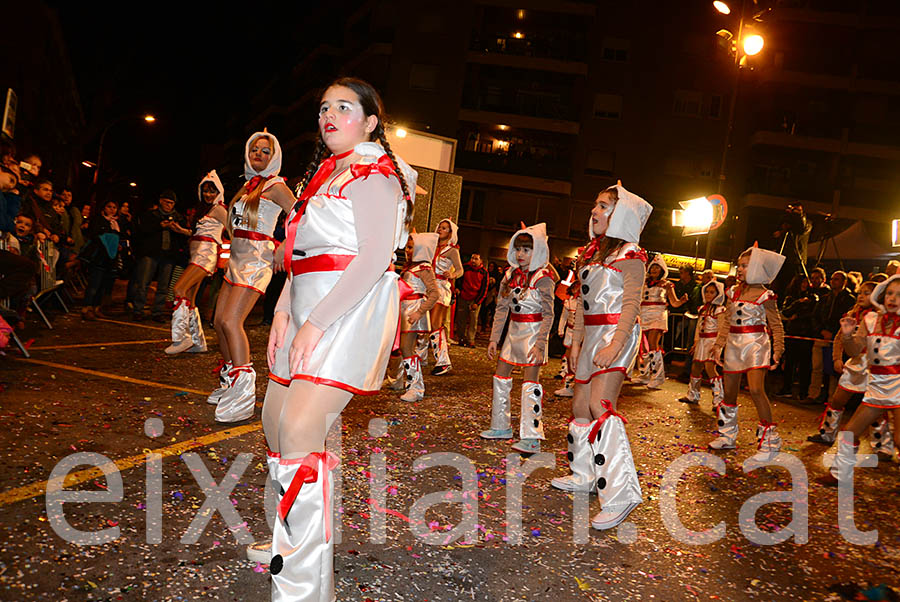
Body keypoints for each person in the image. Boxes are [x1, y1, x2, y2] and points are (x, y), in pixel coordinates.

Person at [260, 77, 417, 598]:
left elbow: (374, 259)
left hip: (346, 316)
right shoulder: (326, 173)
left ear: (371, 122)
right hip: (306, 310)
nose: (329, 115)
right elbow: (298, 256)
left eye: (344, 107)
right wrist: (284, 310)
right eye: (324, 106)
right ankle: (289, 541)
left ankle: (304, 588)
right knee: (275, 424)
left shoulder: (376, 174)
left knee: (302, 431)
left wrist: (316, 321)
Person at [549, 183, 650, 531]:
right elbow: (583, 308)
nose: (594, 211)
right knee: (579, 407)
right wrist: (576, 346)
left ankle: (621, 495)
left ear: (621, 214)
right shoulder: (593, 255)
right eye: (595, 204)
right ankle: (584, 475)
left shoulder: (632, 256)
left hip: (615, 334)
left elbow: (631, 306)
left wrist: (615, 344)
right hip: (591, 336)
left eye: (604, 206)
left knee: (599, 406)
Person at [211, 132, 294, 422]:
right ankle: (229, 381)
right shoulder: (248, 186)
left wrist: (284, 244)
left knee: (232, 322)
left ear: (275, 156)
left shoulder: (276, 186)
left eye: (265, 151)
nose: (258, 154)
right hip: (236, 257)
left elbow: (299, 215)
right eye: (254, 150)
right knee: (219, 322)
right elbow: (235, 227)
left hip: (257, 259)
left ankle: (243, 396)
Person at [480, 223, 555, 454]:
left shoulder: (544, 277)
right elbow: (501, 308)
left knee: (530, 384)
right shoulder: (510, 275)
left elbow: (549, 313)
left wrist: (541, 343)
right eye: (518, 249)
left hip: (533, 334)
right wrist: (494, 339)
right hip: (513, 333)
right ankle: (500, 425)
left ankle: (532, 437)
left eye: (527, 249)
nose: (520, 254)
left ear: (539, 251)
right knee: (500, 377)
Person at [819, 275, 900, 485]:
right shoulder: (871, 319)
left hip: (898, 388)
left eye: (899, 295)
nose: (893, 298)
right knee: (849, 432)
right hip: (876, 387)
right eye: (890, 293)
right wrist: (847, 335)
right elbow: (855, 350)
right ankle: (838, 475)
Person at [708, 245, 785, 462]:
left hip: (756, 345)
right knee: (729, 392)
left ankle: (770, 441)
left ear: (758, 268)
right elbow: (727, 322)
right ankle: (727, 435)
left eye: (745, 265)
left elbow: (776, 325)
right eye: (739, 265)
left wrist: (777, 350)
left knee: (756, 389)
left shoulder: (766, 295)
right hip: (734, 344)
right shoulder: (733, 292)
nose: (739, 269)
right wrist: (719, 345)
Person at [806, 281, 893, 457]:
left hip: (876, 369)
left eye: (867, 293)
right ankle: (827, 434)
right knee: (837, 401)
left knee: (875, 410)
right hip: (855, 364)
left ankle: (882, 446)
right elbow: (840, 338)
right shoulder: (854, 315)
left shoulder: (885, 319)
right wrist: (837, 357)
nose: (861, 296)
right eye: (860, 292)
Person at [164, 171, 228, 355]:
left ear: (219, 192)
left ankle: (181, 337)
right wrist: (182, 230)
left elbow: (233, 230)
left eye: (212, 191)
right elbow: (201, 234)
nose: (208, 194)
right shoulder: (206, 210)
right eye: (205, 190)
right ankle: (198, 342)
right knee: (190, 299)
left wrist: (231, 255)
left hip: (205, 257)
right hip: (197, 255)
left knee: (179, 289)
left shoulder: (219, 209)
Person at [130, 190, 191, 321]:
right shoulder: (151, 215)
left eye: (171, 203)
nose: (169, 205)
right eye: (167, 202)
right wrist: (159, 226)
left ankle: (157, 311)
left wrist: (177, 230)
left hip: (168, 255)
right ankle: (138, 310)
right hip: (150, 254)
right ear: (160, 201)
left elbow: (183, 238)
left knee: (163, 286)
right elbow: (142, 231)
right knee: (143, 283)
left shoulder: (179, 218)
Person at [396, 233, 440, 402]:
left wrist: (420, 312)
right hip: (405, 309)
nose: (408, 251)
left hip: (413, 311)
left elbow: (435, 293)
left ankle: (416, 388)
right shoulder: (411, 267)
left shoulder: (424, 268)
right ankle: (405, 382)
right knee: (403, 348)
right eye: (407, 247)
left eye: (412, 247)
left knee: (407, 348)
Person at [632, 254, 685, 389]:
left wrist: (683, 300)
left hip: (658, 315)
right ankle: (644, 375)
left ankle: (658, 376)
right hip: (643, 315)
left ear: (662, 270)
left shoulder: (667, 284)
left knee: (653, 344)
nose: (654, 270)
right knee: (643, 347)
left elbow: (674, 302)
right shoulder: (644, 283)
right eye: (652, 267)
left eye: (657, 267)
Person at [806, 270, 856, 404]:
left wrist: (834, 334)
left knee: (834, 370)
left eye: (837, 279)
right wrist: (821, 330)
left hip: (836, 338)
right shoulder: (825, 298)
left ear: (844, 282)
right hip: (821, 336)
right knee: (816, 367)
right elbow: (815, 316)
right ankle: (813, 394)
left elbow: (846, 320)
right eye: (832, 279)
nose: (833, 282)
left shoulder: (849, 300)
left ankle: (832, 398)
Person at [677, 280, 725, 406]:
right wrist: (696, 342)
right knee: (696, 367)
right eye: (707, 292)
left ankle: (718, 399)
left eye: (712, 292)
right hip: (702, 341)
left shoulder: (720, 310)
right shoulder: (703, 309)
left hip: (713, 341)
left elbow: (722, 328)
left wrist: (718, 345)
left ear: (718, 294)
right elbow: (699, 327)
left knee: (710, 368)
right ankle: (693, 395)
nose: (708, 294)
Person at [427, 219, 463, 374]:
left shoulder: (452, 250)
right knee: (424, 324)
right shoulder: (431, 245)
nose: (440, 229)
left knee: (435, 324)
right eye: (439, 227)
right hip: (427, 286)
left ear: (450, 232)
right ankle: (420, 357)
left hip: (441, 288)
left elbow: (461, 270)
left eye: (444, 228)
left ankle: (443, 360)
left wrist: (452, 274)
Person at [80, 200, 120, 320]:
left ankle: (97, 307)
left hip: (110, 258)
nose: (112, 209)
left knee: (103, 285)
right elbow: (95, 235)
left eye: (114, 207)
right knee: (94, 284)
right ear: (103, 208)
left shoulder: (116, 223)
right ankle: (87, 308)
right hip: (99, 256)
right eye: (109, 207)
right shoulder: (98, 220)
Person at [455, 252, 488, 347]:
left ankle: (471, 339)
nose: (473, 261)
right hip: (463, 297)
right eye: (472, 258)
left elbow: (484, 289)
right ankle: (461, 338)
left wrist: (477, 303)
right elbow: (459, 279)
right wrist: (458, 288)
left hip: (475, 299)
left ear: (481, 261)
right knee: (461, 319)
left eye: (476, 259)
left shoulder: (484, 272)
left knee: (473, 321)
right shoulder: (465, 268)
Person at [553, 278, 579, 398]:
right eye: (574, 288)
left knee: (578, 359)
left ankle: (578, 386)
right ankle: (568, 385)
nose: (576, 290)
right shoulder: (569, 302)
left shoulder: (583, 302)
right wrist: (560, 329)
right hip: (570, 331)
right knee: (568, 357)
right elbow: (563, 316)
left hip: (580, 334)